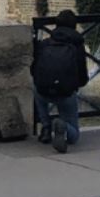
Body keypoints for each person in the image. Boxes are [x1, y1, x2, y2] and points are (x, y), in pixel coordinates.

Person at [31, 9, 89, 153]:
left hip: (43, 90)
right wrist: (75, 86)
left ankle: (46, 127)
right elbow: (82, 74)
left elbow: (34, 69)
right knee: (74, 135)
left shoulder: (45, 43)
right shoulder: (77, 44)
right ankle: (62, 125)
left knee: (36, 89)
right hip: (66, 92)